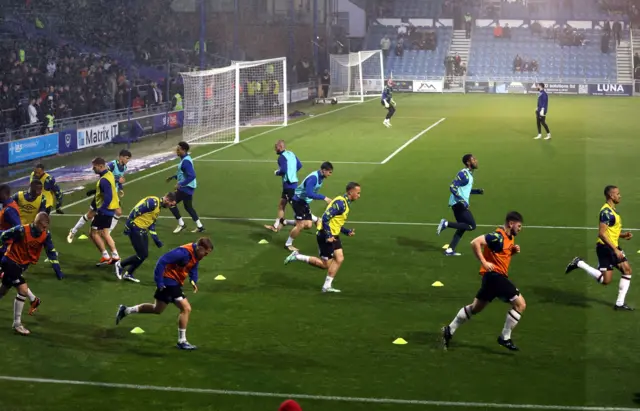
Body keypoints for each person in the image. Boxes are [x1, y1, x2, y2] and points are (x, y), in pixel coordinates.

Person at [441, 211, 525, 351]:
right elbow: (475, 242)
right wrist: (484, 262)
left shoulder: (509, 238)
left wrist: (512, 252)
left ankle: (449, 329)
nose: (520, 229)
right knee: (520, 304)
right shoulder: (497, 236)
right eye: (519, 226)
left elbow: (500, 255)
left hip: (491, 279)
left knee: (475, 308)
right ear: (511, 224)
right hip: (495, 277)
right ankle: (505, 337)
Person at [115, 237, 214, 350]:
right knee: (186, 309)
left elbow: (194, 266)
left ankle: (126, 310)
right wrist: (159, 281)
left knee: (157, 309)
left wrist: (193, 280)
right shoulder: (182, 252)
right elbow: (162, 261)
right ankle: (182, 341)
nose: (205, 255)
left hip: (174, 281)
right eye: (205, 253)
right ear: (200, 248)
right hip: (169, 282)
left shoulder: (197, 254)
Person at [565, 185, 633, 310]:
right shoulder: (606, 212)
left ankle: (619, 303)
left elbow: (611, 231)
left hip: (613, 246)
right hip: (605, 248)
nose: (620, 196)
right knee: (606, 281)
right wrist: (615, 249)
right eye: (617, 193)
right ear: (611, 196)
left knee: (627, 270)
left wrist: (623, 235)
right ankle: (579, 263)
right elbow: (601, 234)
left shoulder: (613, 211)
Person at [284, 182, 361, 293]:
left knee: (339, 258)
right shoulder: (340, 203)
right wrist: (329, 235)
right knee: (325, 265)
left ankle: (326, 286)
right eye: (358, 193)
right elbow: (324, 218)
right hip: (325, 235)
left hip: (333, 235)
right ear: (350, 192)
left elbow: (336, 222)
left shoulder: (345, 202)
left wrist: (346, 231)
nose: (359, 195)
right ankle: (297, 256)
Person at [0, 212, 64, 334]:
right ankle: (17, 324)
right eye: (43, 227)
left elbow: (50, 251)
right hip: (10, 262)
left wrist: (57, 269)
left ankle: (32, 302)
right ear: (36, 223)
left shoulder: (45, 235)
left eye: (46, 227)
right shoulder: (21, 230)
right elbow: (3, 235)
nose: (45, 229)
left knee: (4, 289)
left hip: (21, 265)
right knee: (23, 290)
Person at [67, 150, 132, 243]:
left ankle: (107, 232)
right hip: (102, 193)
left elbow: (118, 180)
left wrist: (120, 187)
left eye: (129, 159)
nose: (128, 160)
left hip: (113, 193)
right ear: (121, 157)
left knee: (118, 212)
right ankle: (73, 231)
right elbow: (105, 176)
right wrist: (118, 179)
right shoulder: (112, 165)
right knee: (90, 215)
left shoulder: (124, 167)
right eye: (127, 158)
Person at [115, 193, 177, 283]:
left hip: (142, 229)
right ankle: (120, 265)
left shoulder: (158, 206)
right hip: (135, 228)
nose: (170, 206)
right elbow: (135, 211)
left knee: (144, 255)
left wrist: (156, 239)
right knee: (142, 254)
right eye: (171, 204)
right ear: (167, 200)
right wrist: (128, 226)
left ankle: (128, 273)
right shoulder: (152, 203)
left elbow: (151, 223)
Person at [436, 154, 484, 256]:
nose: (476, 161)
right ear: (468, 162)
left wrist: (477, 191)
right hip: (458, 204)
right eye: (473, 159)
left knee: (463, 226)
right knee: (471, 225)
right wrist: (462, 201)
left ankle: (450, 250)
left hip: (459, 204)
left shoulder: (469, 175)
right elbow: (452, 187)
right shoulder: (463, 174)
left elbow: (465, 190)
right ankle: (446, 223)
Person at [284, 162, 333, 251]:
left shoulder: (321, 177)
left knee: (308, 225)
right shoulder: (313, 178)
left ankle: (285, 222)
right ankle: (288, 244)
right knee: (300, 225)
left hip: (304, 202)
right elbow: (309, 194)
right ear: (324, 170)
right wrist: (324, 198)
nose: (330, 174)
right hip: (298, 201)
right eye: (329, 172)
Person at [166, 142, 205, 234]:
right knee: (188, 207)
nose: (177, 150)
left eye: (178, 149)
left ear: (183, 150)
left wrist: (180, 184)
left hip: (185, 188)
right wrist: (173, 177)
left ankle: (181, 224)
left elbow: (192, 175)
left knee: (170, 203)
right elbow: (183, 173)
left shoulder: (186, 161)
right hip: (189, 188)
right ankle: (200, 226)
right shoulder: (185, 159)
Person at [264, 140, 302, 233]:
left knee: (297, 208)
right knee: (282, 205)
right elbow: (299, 165)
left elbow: (283, 170)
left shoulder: (281, 157)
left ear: (280, 147)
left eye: (276, 147)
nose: (275, 150)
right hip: (292, 184)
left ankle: (315, 220)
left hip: (289, 185)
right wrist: (292, 172)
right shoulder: (291, 153)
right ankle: (276, 226)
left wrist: (277, 172)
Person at [89, 157, 120, 266]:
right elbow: (109, 188)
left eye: (94, 167)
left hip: (105, 210)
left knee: (93, 233)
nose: (93, 169)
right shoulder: (109, 174)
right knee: (105, 233)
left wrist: (101, 210)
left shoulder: (103, 180)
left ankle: (107, 255)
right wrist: (93, 191)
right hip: (111, 209)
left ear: (101, 166)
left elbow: (108, 196)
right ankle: (114, 255)